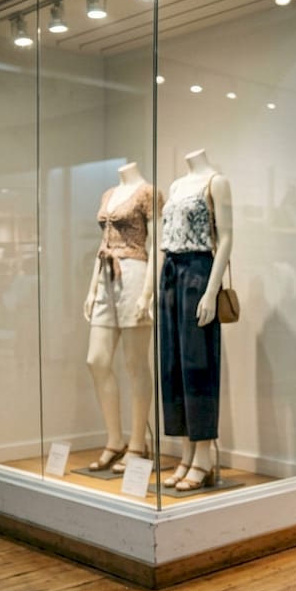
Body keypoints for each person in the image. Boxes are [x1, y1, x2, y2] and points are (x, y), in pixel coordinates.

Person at [158, 148, 233, 491]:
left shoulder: (216, 182)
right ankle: (186, 451)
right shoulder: (175, 186)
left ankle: (204, 454)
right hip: (170, 271)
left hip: (198, 271)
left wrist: (210, 290)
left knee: (198, 362)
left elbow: (227, 237)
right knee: (172, 363)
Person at [82, 162, 162, 473]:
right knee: (97, 360)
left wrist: (147, 292)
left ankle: (138, 444)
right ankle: (114, 440)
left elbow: (155, 245)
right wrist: (91, 289)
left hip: (134, 273)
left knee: (134, 362)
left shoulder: (149, 193)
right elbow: (103, 245)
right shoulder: (109, 194)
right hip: (106, 274)